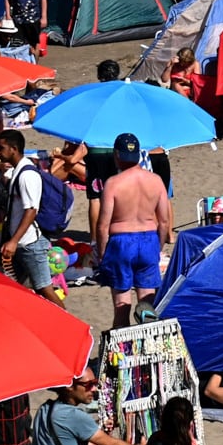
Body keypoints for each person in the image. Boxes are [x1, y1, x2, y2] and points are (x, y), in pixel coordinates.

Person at [93, 132, 171, 328]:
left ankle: (122, 353)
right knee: (147, 305)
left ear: (117, 155)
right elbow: (164, 222)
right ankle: (150, 351)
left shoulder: (113, 184)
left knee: (122, 305)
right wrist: (157, 248)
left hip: (120, 242)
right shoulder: (156, 181)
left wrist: (102, 254)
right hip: (148, 240)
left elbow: (102, 225)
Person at [0, 129, 52, 294]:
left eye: (1, 148)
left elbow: (31, 210)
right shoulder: (17, 171)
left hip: (29, 244)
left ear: (13, 149)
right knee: (14, 289)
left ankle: (65, 320)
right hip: (19, 243)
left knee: (45, 290)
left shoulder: (27, 175)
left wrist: (14, 241)